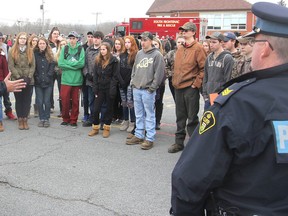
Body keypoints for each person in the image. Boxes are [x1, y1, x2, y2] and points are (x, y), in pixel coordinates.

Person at [170, 2, 288, 215]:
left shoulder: (238, 103)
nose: (249, 48)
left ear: (266, 49)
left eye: (255, 41)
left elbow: (190, 177)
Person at [168, 22, 207, 153]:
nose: (183, 32)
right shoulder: (181, 49)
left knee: (192, 118)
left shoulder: (198, 48)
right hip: (178, 87)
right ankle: (179, 143)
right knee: (180, 117)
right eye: (182, 31)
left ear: (193, 32)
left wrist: (195, 84)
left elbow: (203, 69)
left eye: (186, 30)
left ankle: (193, 145)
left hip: (190, 88)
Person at [126, 31, 165, 150]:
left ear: (151, 41)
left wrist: (152, 88)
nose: (142, 42)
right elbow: (134, 69)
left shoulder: (157, 55)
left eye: (145, 40)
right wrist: (133, 82)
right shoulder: (139, 53)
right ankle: (139, 135)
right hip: (137, 88)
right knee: (138, 114)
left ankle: (150, 138)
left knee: (149, 114)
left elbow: (159, 74)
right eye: (141, 40)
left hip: (148, 90)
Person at [88, 42, 119, 138]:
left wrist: (112, 89)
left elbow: (115, 76)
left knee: (109, 109)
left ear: (108, 50)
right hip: (100, 88)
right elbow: (96, 76)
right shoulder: (98, 60)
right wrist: (95, 88)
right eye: (101, 49)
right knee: (96, 108)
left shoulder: (114, 60)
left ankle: (106, 128)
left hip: (110, 87)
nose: (102, 51)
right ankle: (95, 127)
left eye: (104, 49)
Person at [8, 32, 35, 130]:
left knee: (27, 101)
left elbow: (33, 65)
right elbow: (11, 66)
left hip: (28, 80)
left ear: (27, 40)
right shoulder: (12, 51)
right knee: (19, 100)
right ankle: (20, 120)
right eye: (21, 38)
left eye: (24, 38)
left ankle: (25, 119)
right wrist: (18, 77)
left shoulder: (30, 51)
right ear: (18, 39)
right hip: (17, 80)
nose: (23, 40)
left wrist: (29, 77)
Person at [58, 31, 85, 128]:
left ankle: (73, 120)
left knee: (75, 101)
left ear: (77, 39)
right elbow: (60, 63)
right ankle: (65, 119)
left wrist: (68, 65)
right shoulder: (64, 48)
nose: (72, 40)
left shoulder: (81, 49)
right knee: (64, 100)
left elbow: (81, 64)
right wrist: (74, 66)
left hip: (76, 80)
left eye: (73, 38)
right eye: (70, 38)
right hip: (65, 80)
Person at [202, 32, 234, 110]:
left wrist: (222, 96)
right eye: (210, 42)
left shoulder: (227, 58)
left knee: (217, 120)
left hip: (219, 97)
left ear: (221, 43)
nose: (211, 44)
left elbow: (228, 80)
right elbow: (205, 76)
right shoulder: (209, 57)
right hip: (209, 96)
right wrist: (205, 95)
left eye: (214, 42)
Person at [82, 31, 105, 128]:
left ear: (101, 39)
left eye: (98, 38)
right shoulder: (88, 50)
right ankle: (92, 118)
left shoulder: (103, 49)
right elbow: (85, 64)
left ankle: (103, 121)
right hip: (90, 81)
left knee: (102, 102)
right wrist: (87, 74)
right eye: (94, 37)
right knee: (91, 100)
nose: (95, 39)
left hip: (100, 80)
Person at [34, 37, 55, 128]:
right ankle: (41, 118)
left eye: (43, 43)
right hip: (38, 81)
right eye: (40, 43)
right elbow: (33, 67)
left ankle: (46, 118)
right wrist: (37, 77)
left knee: (47, 101)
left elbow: (52, 67)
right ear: (38, 45)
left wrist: (48, 76)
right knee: (39, 101)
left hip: (48, 82)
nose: (42, 45)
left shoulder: (50, 54)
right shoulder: (34, 54)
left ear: (46, 45)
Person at [118, 35, 138, 132]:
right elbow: (119, 69)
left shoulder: (136, 55)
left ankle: (132, 122)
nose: (127, 44)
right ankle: (125, 120)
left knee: (130, 102)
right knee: (124, 102)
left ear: (132, 43)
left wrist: (126, 81)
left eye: (128, 42)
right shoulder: (122, 55)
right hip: (121, 82)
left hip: (130, 81)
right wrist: (121, 81)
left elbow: (133, 70)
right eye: (125, 42)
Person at [0, 32, 17, 120]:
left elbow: (11, 61)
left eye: (0, 38)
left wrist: (9, 75)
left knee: (6, 96)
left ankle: (8, 111)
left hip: (5, 75)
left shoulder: (7, 47)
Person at [164, 35, 185, 102]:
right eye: (179, 42)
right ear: (176, 43)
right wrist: (171, 74)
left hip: (185, 80)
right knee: (177, 100)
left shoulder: (188, 53)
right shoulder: (171, 53)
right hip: (173, 81)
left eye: (182, 42)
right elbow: (166, 66)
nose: (180, 44)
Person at [152, 36, 166, 130]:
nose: (154, 46)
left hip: (160, 84)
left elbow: (165, 70)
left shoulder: (163, 56)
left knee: (158, 102)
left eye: (156, 44)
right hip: (149, 83)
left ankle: (157, 121)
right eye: (152, 44)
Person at [81, 31, 94, 124]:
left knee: (93, 98)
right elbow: (83, 63)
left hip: (94, 79)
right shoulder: (83, 48)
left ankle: (94, 115)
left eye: (91, 36)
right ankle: (86, 114)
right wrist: (86, 74)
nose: (90, 38)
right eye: (88, 36)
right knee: (85, 97)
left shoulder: (97, 48)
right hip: (85, 77)